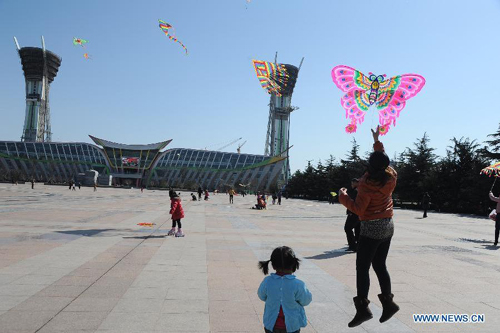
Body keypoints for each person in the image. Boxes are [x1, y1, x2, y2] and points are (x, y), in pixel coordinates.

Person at [338, 126, 399, 328]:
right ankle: (388, 304)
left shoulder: (366, 186)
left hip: (371, 228)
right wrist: (377, 140)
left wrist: (343, 196)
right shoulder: (391, 177)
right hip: (388, 226)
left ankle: (363, 309)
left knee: (362, 267)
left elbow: (358, 209)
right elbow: (382, 160)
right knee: (380, 265)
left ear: (369, 167)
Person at [258, 246, 312, 333]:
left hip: (271, 324)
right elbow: (306, 300)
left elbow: (261, 295)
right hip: (292, 326)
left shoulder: (267, 281)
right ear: (294, 263)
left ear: (273, 265)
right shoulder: (298, 284)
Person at [344, 178, 361, 252]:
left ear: (356, 183)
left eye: (352, 183)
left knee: (347, 228)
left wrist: (350, 211)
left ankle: (352, 245)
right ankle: (358, 244)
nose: (351, 185)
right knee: (358, 229)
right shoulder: (361, 190)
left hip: (353, 212)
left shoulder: (356, 191)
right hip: (359, 213)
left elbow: (352, 202)